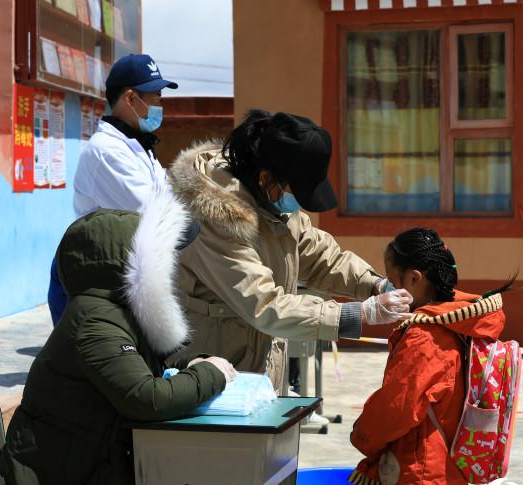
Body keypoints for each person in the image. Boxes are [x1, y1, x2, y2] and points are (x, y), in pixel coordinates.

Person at [0, 189, 235, 485]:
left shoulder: (115, 316)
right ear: (128, 269)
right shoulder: (95, 324)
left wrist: (193, 366)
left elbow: (142, 376)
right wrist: (211, 374)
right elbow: (146, 398)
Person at [167, 109, 414, 392]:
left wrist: (374, 285)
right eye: (298, 193)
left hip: (257, 367)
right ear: (265, 178)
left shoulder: (274, 201)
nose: (299, 205)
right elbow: (264, 306)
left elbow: (319, 256)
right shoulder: (216, 219)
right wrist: (359, 314)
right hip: (212, 373)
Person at [348, 228, 512, 485]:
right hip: (440, 468)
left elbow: (399, 405)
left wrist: (363, 435)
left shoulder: (425, 337)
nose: (389, 290)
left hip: (426, 472)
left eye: (392, 281)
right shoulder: (456, 321)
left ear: (414, 279)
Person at [48, 53, 178, 325]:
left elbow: (169, 198)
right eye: (155, 98)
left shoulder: (138, 146)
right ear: (130, 99)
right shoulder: (107, 152)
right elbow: (155, 214)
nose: (160, 105)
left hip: (119, 272)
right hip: (94, 277)